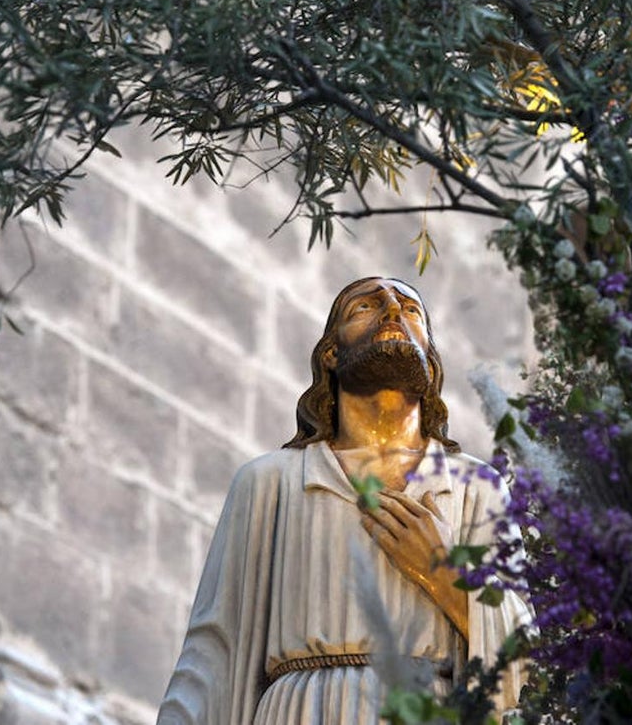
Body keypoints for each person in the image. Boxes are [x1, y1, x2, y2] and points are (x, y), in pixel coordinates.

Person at [157, 277, 529, 725]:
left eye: (411, 311)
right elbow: (214, 650)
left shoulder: (475, 487)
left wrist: (445, 573)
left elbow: (524, 653)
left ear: (431, 361)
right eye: (366, 307)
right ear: (331, 355)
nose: (393, 310)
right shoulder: (271, 483)